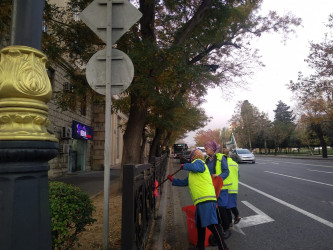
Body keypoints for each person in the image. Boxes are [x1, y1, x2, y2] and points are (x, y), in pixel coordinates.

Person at [168, 148, 228, 250]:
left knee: (212, 225)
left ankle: (223, 248)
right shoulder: (193, 173)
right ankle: (200, 247)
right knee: (200, 226)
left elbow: (197, 167)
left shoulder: (199, 162)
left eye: (191, 156)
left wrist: (185, 165)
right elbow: (184, 182)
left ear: (194, 157)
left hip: (206, 199)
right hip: (201, 201)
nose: (191, 159)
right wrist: (173, 180)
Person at [204, 141, 232, 239]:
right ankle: (218, 227)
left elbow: (226, 171)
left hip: (221, 188)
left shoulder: (221, 157)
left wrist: (218, 176)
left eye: (206, 148)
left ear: (212, 149)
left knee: (221, 208)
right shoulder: (207, 159)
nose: (205, 150)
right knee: (214, 209)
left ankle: (226, 229)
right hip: (211, 188)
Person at [223, 149, 241, 226]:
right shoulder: (235, 164)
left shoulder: (222, 164)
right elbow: (238, 176)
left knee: (226, 206)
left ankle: (230, 222)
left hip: (226, 187)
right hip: (234, 187)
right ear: (229, 154)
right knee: (231, 204)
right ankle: (237, 216)